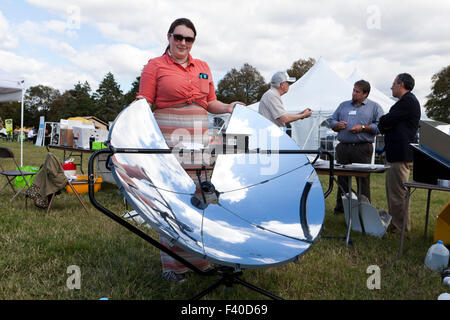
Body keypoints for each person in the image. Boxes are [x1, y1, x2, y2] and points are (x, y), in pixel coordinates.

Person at [137, 18, 244, 283]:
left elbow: (210, 103)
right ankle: (174, 266)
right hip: (170, 140)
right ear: (169, 37)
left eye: (189, 39)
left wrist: (229, 106)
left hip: (200, 143)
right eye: (178, 37)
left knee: (201, 197)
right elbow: (144, 102)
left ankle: (202, 259)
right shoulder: (155, 66)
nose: (183, 42)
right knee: (173, 199)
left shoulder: (204, 67)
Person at [330, 80, 384, 214]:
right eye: (353, 90)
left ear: (365, 94)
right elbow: (332, 121)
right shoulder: (343, 105)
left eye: (357, 91)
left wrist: (364, 128)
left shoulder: (375, 107)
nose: (353, 93)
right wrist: (336, 125)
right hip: (343, 147)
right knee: (342, 179)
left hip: (362, 148)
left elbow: (381, 127)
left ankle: (364, 211)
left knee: (363, 180)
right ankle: (341, 208)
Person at [378, 73, 420, 233]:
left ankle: (401, 228)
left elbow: (384, 121)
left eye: (393, 83)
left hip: (399, 154)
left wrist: (387, 123)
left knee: (397, 193)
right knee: (394, 192)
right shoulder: (407, 102)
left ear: (401, 84)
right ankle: (397, 225)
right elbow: (386, 123)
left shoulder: (407, 101)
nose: (391, 86)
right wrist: (387, 124)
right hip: (398, 153)